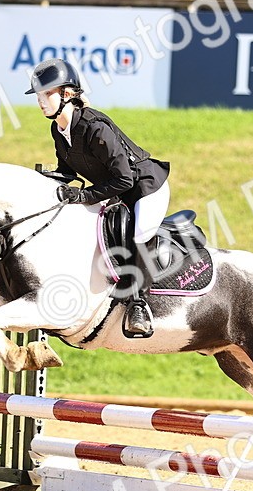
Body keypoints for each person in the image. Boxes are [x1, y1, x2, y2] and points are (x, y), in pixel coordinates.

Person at [27, 58, 171, 339]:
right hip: (115, 190)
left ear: (67, 94)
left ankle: (139, 304)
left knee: (138, 233)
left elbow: (125, 179)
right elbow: (67, 172)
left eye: (46, 95)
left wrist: (83, 195)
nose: (40, 102)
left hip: (145, 188)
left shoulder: (95, 128)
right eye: (39, 97)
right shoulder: (58, 129)